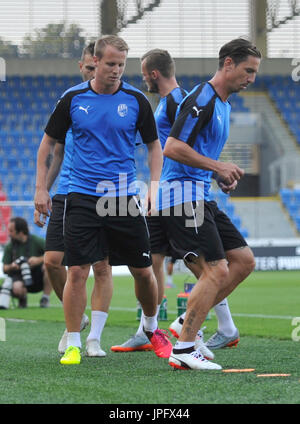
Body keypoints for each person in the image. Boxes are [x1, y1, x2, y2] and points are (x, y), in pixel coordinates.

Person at [34, 35, 172, 365]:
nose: (116, 70)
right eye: (110, 64)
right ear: (95, 62)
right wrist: (41, 188)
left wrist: (153, 187)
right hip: (81, 196)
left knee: (143, 270)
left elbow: (155, 147)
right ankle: (74, 343)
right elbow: (48, 144)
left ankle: (152, 328)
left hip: (123, 197)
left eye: (122, 65)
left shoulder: (136, 100)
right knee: (78, 270)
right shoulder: (72, 99)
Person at [111, 48, 239, 358]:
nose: (143, 79)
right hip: (166, 191)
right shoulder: (176, 101)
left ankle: (187, 330)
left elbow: (184, 150)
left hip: (174, 195)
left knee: (200, 268)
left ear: (153, 73)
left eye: (144, 74)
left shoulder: (177, 102)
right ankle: (159, 329)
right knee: (158, 263)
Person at [158, 38, 261, 370]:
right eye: (248, 70)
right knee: (216, 271)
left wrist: (218, 175)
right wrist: (218, 166)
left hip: (200, 193)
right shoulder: (203, 98)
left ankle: (186, 325)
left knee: (243, 261)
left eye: (255, 72)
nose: (252, 78)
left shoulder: (224, 103)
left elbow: (196, 152)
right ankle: (185, 347)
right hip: (181, 196)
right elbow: (172, 147)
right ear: (228, 63)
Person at [34, 42, 112, 358]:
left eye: (101, 68)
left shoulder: (120, 98)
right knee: (53, 261)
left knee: (101, 266)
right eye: (90, 68)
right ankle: (75, 317)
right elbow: (55, 149)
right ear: (83, 66)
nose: (96, 74)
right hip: (68, 191)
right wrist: (43, 190)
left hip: (106, 192)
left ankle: (93, 338)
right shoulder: (72, 99)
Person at [2, 217, 52, 308]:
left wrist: (38, 260)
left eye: (11, 231)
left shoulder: (36, 240)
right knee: (17, 287)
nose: (9, 233)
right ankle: (22, 297)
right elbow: (4, 268)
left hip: (38, 277)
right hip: (20, 277)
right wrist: (12, 266)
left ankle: (45, 298)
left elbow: (53, 254)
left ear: (20, 232)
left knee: (49, 266)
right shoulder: (10, 246)